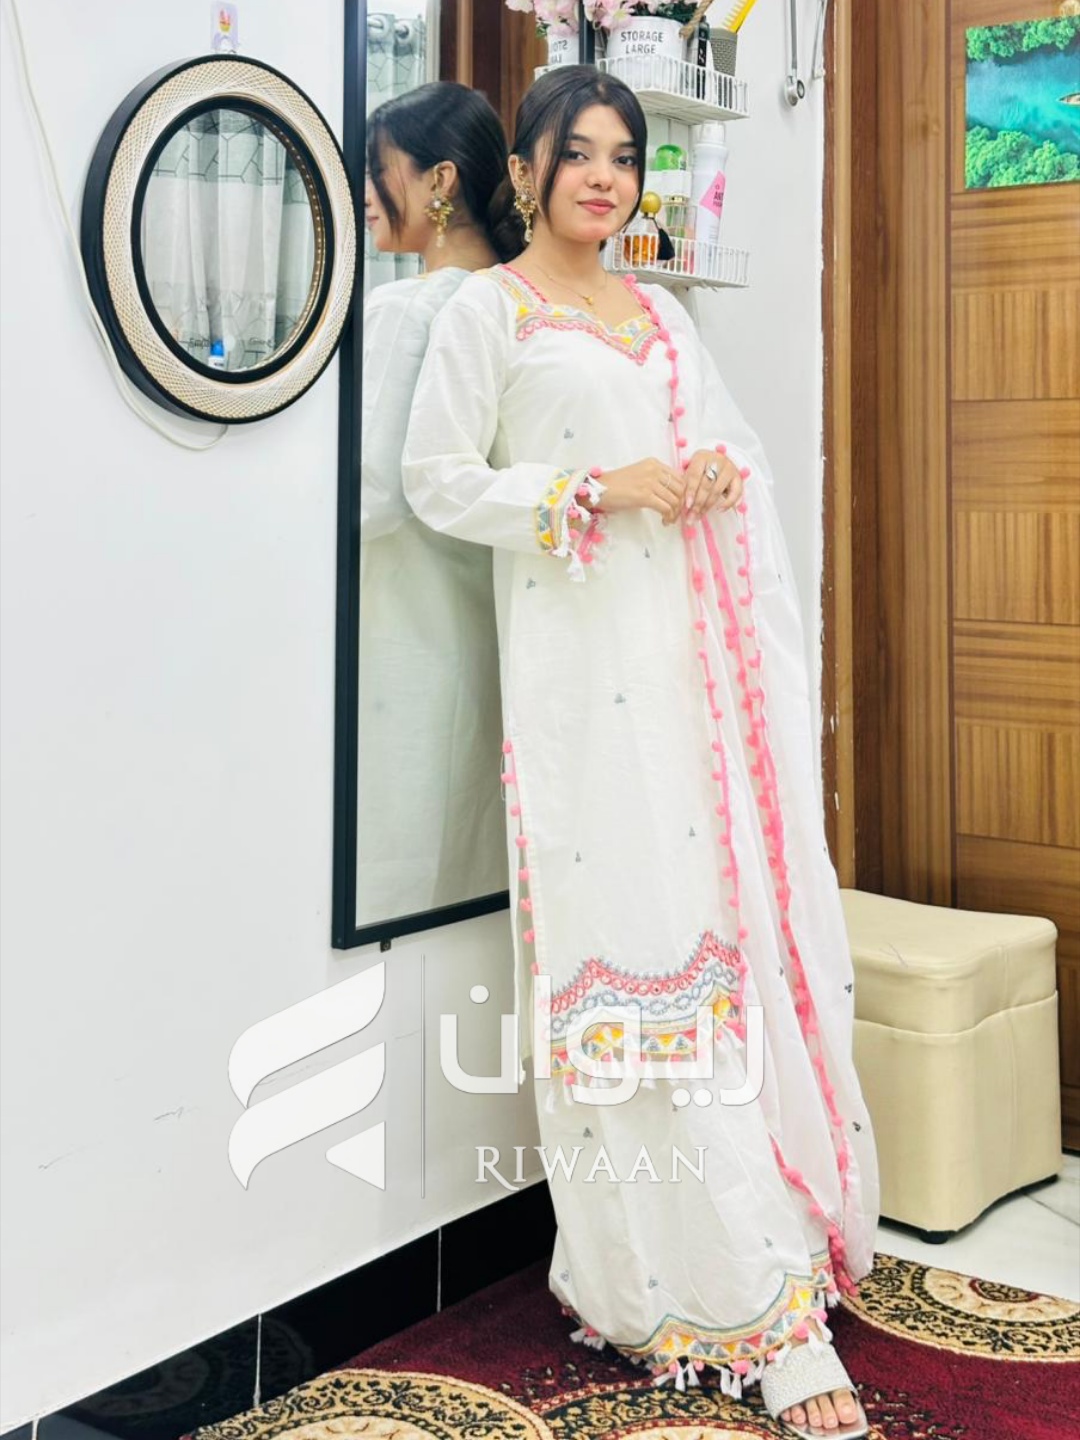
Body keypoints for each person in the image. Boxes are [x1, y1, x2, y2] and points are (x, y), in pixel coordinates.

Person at [401, 65, 880, 1439]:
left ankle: (756, 1255)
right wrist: (588, 488)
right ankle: (708, 1294)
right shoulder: (490, 314)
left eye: (624, 157)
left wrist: (718, 473)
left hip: (689, 682)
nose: (605, 179)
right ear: (527, 171)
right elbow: (438, 482)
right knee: (635, 963)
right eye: (578, 154)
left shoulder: (661, 313)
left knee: (717, 949)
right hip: (578, 698)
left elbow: (725, 448)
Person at [357, 82, 515, 924]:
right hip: (492, 634)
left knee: (396, 871)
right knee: (470, 873)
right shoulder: (520, 304)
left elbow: (373, 493)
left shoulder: (409, 309)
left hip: (405, 638)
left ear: (440, 180)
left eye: (378, 170)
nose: (363, 192)